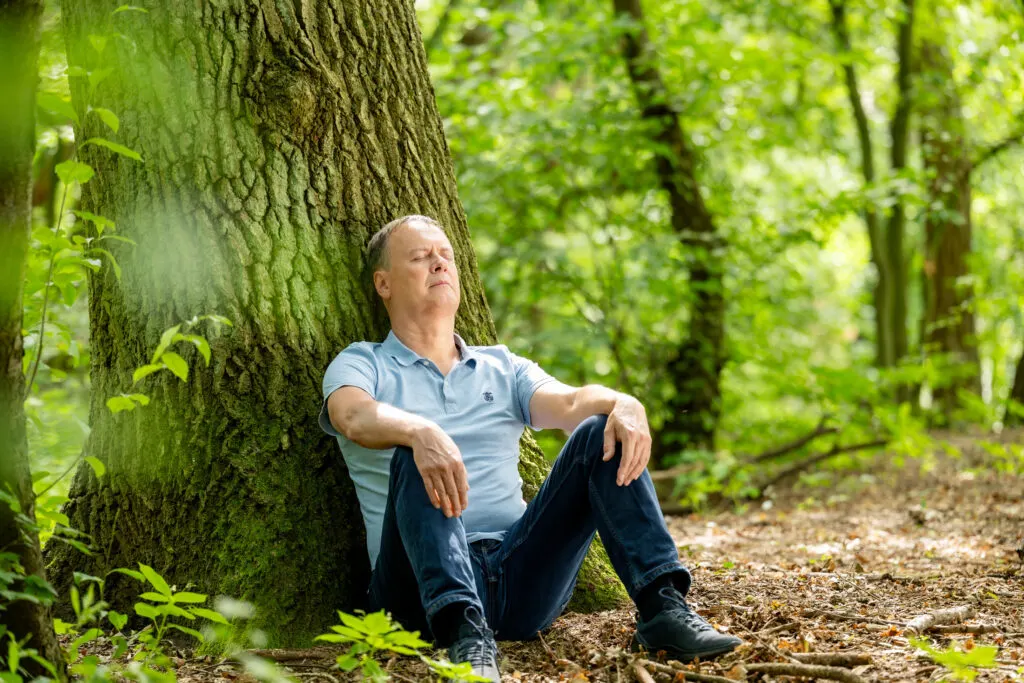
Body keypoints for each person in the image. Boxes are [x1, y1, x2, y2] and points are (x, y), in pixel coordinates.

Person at [319, 215, 741, 681]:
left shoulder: (501, 366)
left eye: (446, 256)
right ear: (384, 284)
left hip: (518, 575)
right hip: (418, 594)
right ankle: (464, 637)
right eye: (420, 257)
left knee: (601, 429)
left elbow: (571, 403)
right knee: (411, 453)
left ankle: (663, 608)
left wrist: (625, 402)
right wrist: (421, 432)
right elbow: (353, 416)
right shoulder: (364, 362)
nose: (439, 264)